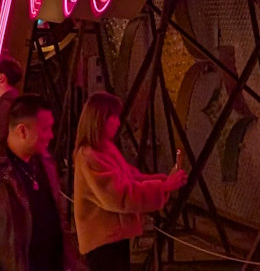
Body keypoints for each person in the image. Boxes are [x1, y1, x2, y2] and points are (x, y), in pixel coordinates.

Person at [0, 94, 74, 271]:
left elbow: (57, 219)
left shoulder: (46, 163)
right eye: (45, 129)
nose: (51, 135)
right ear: (22, 131)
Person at [72, 92, 185, 271]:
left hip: (112, 236)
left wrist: (164, 181)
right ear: (99, 119)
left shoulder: (104, 149)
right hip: (102, 241)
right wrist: (163, 186)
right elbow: (119, 196)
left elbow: (131, 177)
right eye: (113, 117)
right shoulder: (89, 156)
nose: (118, 122)